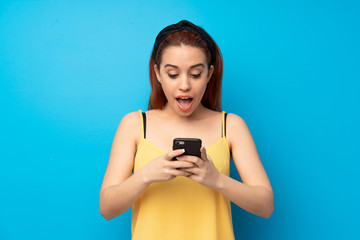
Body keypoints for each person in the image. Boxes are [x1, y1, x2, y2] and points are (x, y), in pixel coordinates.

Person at [99, 20, 274, 240]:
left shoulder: (231, 126)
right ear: (158, 73)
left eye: (195, 74)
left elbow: (266, 205)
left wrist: (216, 179)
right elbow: (107, 208)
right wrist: (145, 176)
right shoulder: (134, 125)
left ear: (209, 74)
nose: (184, 85)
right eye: (173, 74)